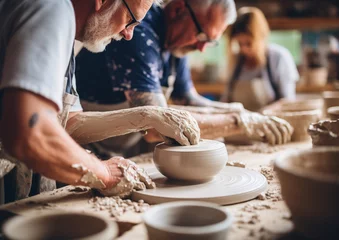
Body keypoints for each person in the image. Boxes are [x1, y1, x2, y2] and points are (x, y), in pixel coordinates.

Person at [0, 0, 200, 203]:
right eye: (130, 20)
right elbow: (29, 133)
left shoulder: (69, 31)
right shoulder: (52, 8)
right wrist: (105, 173)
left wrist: (147, 116)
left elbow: (69, 122)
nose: (128, 34)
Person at [75, 0, 294, 159]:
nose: (201, 49)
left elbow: (188, 100)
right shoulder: (138, 32)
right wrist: (240, 123)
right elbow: (157, 127)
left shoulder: (176, 43)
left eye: (209, 42)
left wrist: (240, 112)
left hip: (122, 147)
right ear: (179, 9)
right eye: (201, 37)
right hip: (84, 148)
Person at [221, 7, 299, 112]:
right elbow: (227, 99)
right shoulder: (237, 61)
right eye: (240, 44)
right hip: (242, 124)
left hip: (271, 123)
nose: (244, 49)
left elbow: (288, 101)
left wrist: (262, 114)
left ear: (260, 37)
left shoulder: (278, 57)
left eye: (249, 43)